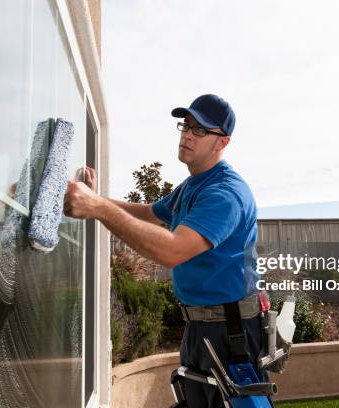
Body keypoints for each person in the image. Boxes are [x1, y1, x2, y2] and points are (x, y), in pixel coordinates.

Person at [64, 94, 268, 407]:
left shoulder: (225, 193)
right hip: (200, 327)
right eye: (186, 126)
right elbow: (148, 213)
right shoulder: (192, 186)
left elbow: (173, 251)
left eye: (200, 130)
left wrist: (98, 208)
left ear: (222, 142)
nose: (187, 134)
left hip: (230, 333)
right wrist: (97, 199)